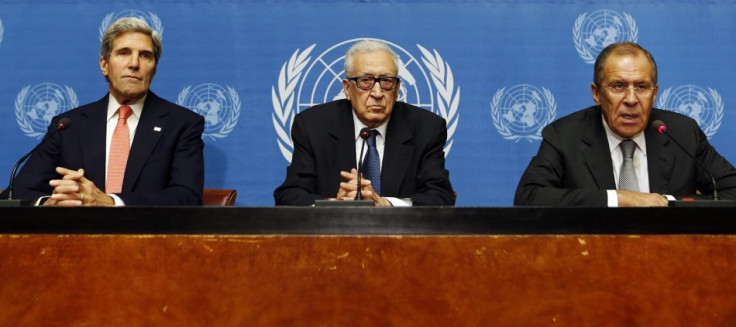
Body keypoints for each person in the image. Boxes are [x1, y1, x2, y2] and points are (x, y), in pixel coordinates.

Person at [8, 17, 204, 206]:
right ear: (104, 65)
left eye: (145, 55)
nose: (134, 63)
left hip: (147, 235)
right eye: (124, 53)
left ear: (153, 69)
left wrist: (112, 203)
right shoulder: (68, 125)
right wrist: (49, 203)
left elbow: (187, 196)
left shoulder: (182, 124)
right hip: (77, 235)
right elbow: (17, 193)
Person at [514, 42, 736, 207]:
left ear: (654, 93)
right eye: (618, 86)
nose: (631, 99)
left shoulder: (682, 133)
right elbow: (529, 197)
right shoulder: (565, 135)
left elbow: (731, 190)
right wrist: (619, 198)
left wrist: (669, 203)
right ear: (597, 94)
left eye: (641, 86)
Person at [274, 40, 454, 206]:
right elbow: (289, 195)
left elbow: (440, 197)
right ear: (347, 88)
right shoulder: (312, 126)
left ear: (397, 89)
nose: (377, 93)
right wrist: (334, 204)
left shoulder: (427, 128)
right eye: (365, 81)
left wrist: (386, 204)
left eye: (386, 81)